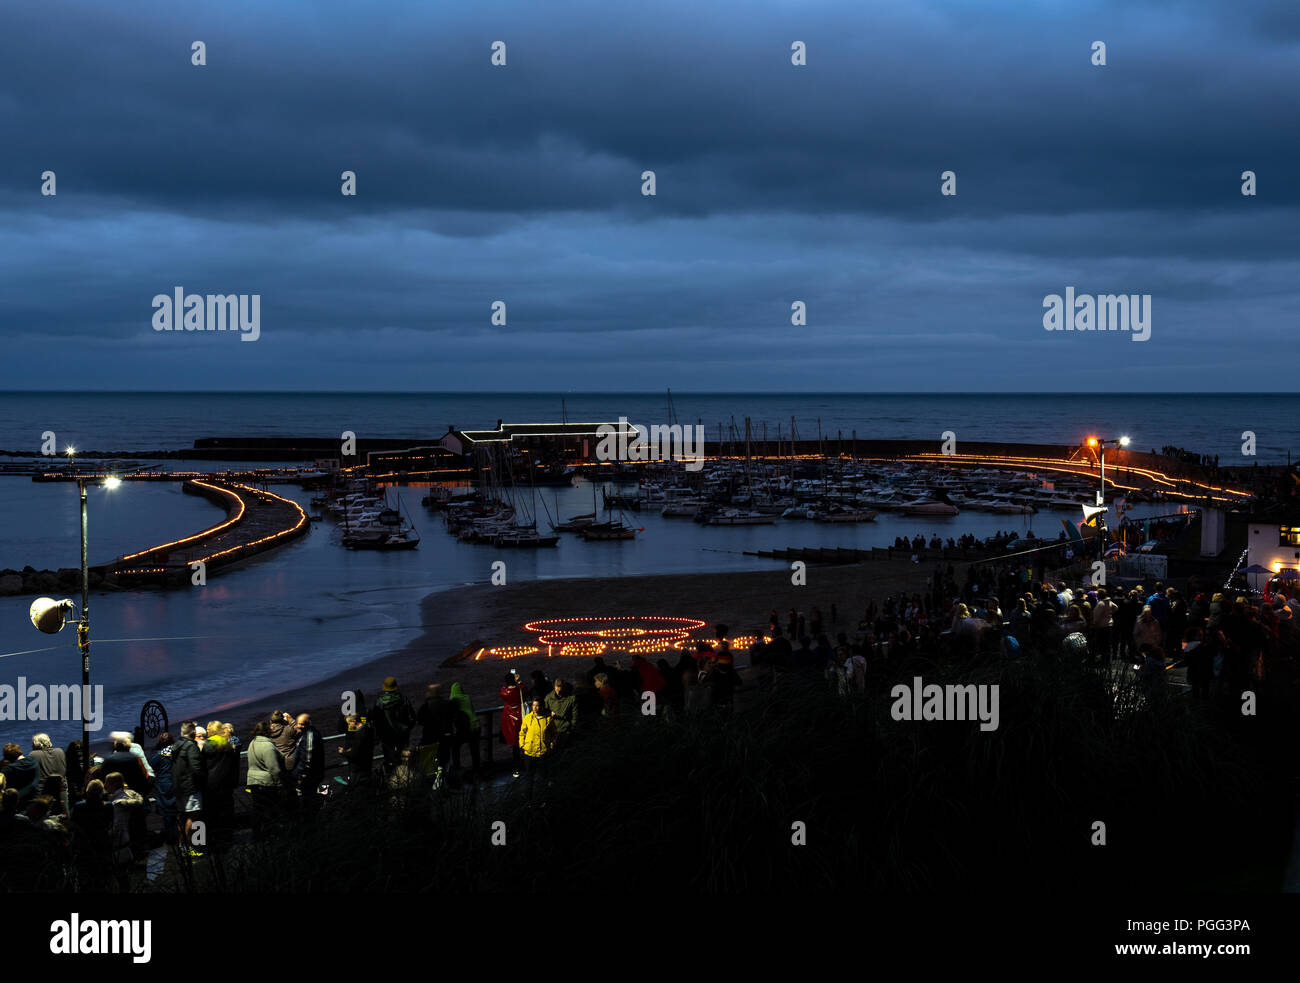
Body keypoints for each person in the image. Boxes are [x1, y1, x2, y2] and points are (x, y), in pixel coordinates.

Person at [170, 721, 206, 856]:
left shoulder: (176, 745)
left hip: (178, 786)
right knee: (194, 816)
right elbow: (196, 768)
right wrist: (203, 781)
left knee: (183, 817)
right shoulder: (191, 746)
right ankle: (190, 847)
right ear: (193, 732)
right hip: (191, 787)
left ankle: (181, 846)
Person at [201, 723, 239, 851]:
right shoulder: (227, 745)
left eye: (207, 729)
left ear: (211, 731)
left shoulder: (206, 746)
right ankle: (227, 838)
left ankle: (205, 844)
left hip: (209, 785)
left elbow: (200, 766)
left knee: (208, 814)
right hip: (226, 783)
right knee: (226, 812)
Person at [245, 721, 285, 837]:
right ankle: (271, 834)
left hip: (253, 781)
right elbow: (274, 769)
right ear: (267, 731)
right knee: (271, 809)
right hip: (266, 783)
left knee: (258, 809)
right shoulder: (268, 746)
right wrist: (280, 785)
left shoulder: (252, 743)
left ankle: (258, 834)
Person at [373, 677, 416, 775]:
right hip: (403, 735)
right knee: (404, 759)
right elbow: (413, 716)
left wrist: (380, 735)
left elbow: (375, 720)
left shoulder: (379, 702)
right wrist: (408, 728)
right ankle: (406, 779)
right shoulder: (403, 699)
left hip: (387, 737)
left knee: (390, 761)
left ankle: (392, 781)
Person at [416, 683, 456, 775]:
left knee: (428, 762)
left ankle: (433, 781)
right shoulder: (448, 704)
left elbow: (420, 721)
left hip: (430, 737)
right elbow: (453, 716)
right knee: (445, 760)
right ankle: (444, 779)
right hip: (445, 737)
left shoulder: (425, 706)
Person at [518, 700, 555, 797]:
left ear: (542, 707)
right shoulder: (527, 718)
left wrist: (550, 746)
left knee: (543, 777)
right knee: (529, 776)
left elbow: (554, 734)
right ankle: (528, 797)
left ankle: (542, 797)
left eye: (537, 705)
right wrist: (522, 745)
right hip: (529, 752)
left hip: (542, 753)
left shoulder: (548, 719)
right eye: (533, 705)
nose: (535, 707)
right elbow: (522, 733)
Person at [448, 682, 481, 782]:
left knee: (455, 747)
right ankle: (477, 771)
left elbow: (452, 714)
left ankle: (457, 769)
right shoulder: (467, 697)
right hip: (476, 726)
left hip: (465, 728)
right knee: (474, 750)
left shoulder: (453, 699)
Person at [498, 670, 529, 778]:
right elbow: (525, 689)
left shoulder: (504, 692)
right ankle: (526, 765)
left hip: (509, 722)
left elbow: (502, 691)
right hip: (520, 718)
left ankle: (516, 769)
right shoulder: (520, 690)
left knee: (515, 746)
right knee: (523, 743)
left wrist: (507, 682)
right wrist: (519, 681)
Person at [148, 733, 177, 845]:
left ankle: (171, 836)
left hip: (164, 784)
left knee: (166, 811)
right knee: (174, 810)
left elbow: (151, 766)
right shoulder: (176, 752)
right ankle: (175, 833)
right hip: (175, 781)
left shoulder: (160, 755)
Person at [294, 713, 325, 818]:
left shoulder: (309, 736)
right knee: (309, 800)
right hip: (314, 774)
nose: (299, 726)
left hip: (309, 776)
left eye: (301, 724)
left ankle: (310, 822)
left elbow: (307, 759)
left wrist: (301, 776)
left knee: (307, 801)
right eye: (298, 724)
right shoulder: (309, 733)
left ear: (308, 724)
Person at [29, 734, 68, 813]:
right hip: (61, 790)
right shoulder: (60, 751)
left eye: (33, 743)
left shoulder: (34, 755)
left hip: (42, 793)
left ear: (37, 744)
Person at [338, 714, 375, 786]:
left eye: (349, 723)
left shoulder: (359, 734)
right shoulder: (368, 729)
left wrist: (343, 752)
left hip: (359, 766)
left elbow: (354, 754)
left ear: (354, 721)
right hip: (367, 763)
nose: (349, 726)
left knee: (357, 785)